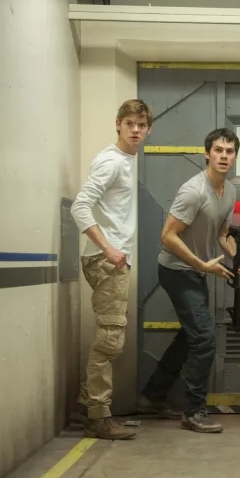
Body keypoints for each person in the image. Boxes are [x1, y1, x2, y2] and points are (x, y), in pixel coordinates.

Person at [140, 128, 240, 434]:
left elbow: (222, 235)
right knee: (204, 338)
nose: (224, 156)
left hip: (196, 270)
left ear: (235, 156)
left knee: (190, 336)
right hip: (176, 271)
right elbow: (168, 236)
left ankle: (152, 395)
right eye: (218, 150)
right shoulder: (193, 191)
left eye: (229, 151)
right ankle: (194, 411)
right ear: (207, 154)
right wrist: (200, 264)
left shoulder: (229, 192)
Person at [70, 99, 152, 440]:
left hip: (112, 259)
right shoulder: (111, 161)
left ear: (148, 130)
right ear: (118, 124)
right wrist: (108, 248)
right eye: (129, 123)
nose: (135, 130)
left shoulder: (126, 160)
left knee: (110, 337)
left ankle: (88, 403)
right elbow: (80, 206)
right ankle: (98, 417)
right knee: (109, 340)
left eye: (141, 125)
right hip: (107, 260)